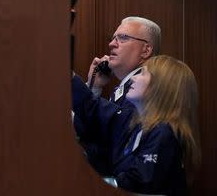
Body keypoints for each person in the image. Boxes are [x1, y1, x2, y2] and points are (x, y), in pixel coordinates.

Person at [72, 55, 201, 195]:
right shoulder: (136, 124)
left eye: (143, 74)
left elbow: (138, 181)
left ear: (160, 86)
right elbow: (95, 109)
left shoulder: (164, 133)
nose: (133, 78)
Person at [73, 16, 161, 174]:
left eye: (123, 37)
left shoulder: (146, 89)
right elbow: (89, 131)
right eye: (113, 38)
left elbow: (114, 128)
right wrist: (94, 87)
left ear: (146, 50)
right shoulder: (124, 88)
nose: (111, 44)